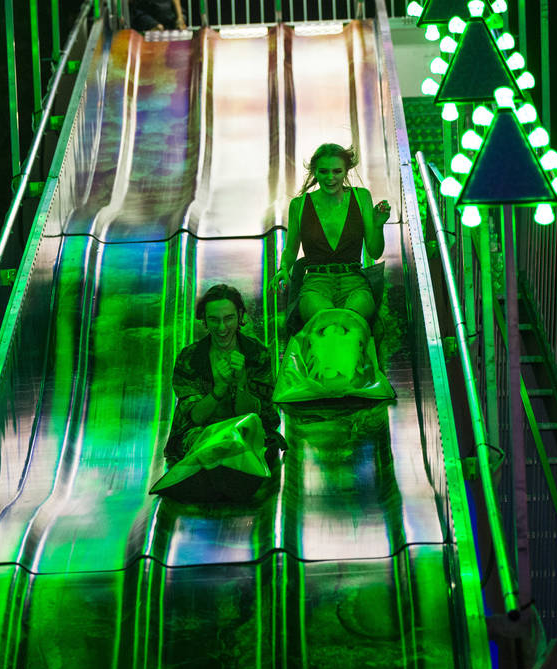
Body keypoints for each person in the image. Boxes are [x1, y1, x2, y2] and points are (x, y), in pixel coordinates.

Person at [155, 285, 283, 501]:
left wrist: (241, 384)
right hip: (203, 434)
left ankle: (220, 471)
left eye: (229, 318)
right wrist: (219, 390)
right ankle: (224, 471)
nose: (222, 327)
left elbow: (258, 416)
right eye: (214, 319)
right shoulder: (190, 358)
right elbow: (195, 417)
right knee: (205, 441)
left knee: (247, 438)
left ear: (240, 316)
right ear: (204, 319)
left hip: (243, 433)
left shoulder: (256, 354)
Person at [271, 143, 390, 324]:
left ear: (346, 171)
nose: (330, 178)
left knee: (352, 322)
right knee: (325, 321)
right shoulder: (299, 205)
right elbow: (290, 250)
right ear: (315, 172)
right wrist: (284, 269)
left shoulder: (361, 197)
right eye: (324, 171)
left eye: (337, 171)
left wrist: (379, 226)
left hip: (354, 282)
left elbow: (375, 252)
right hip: (316, 283)